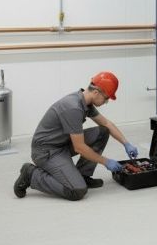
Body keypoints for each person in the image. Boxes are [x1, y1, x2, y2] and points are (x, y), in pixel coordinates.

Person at [12, 71, 138, 201]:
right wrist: (106, 161)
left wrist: (126, 143)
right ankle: (31, 174)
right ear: (96, 92)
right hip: (47, 152)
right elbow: (79, 147)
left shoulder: (85, 102)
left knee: (103, 131)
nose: (106, 102)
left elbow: (106, 123)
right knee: (77, 190)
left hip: (62, 144)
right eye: (106, 98)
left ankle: (83, 176)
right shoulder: (73, 107)